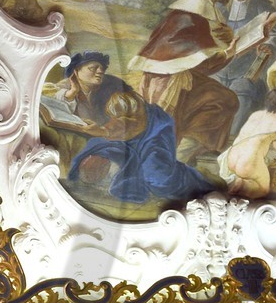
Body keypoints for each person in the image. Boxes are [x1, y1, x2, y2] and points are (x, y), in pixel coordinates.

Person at [42, 50, 213, 207]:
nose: (100, 71)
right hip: (114, 138)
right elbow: (47, 99)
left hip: (150, 131)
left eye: (102, 68)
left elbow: (133, 119)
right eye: (93, 67)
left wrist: (104, 131)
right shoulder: (66, 87)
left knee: (158, 179)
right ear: (76, 72)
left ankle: (198, 181)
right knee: (89, 164)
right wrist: (71, 94)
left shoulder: (113, 87)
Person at [125, 0, 241, 164]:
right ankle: (185, 149)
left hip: (180, 73)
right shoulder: (192, 11)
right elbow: (200, 61)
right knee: (224, 100)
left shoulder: (202, 9)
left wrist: (227, 47)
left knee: (225, 100)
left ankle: (194, 145)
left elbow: (204, 54)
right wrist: (227, 54)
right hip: (170, 79)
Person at [215, 0, 276, 136]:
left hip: (249, 69)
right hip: (219, 67)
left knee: (243, 91)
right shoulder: (218, 7)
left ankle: (231, 140)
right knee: (208, 92)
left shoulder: (262, 7)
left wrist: (269, 45)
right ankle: (208, 141)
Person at [221, 83, 276, 200]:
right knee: (263, 190)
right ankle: (239, 190)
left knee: (250, 173)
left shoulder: (256, 115)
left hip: (231, 158)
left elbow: (257, 138)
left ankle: (240, 182)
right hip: (248, 163)